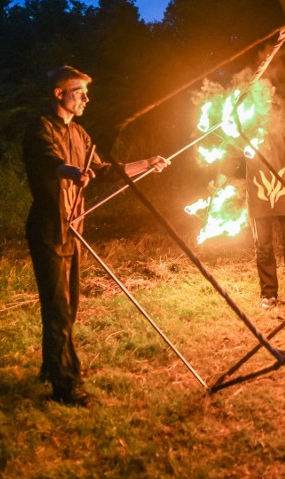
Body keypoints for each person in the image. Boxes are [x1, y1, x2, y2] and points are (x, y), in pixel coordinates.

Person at [23, 65, 170, 407]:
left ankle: (50, 365)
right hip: (49, 226)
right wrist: (72, 171)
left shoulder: (81, 134)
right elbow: (48, 162)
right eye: (79, 92)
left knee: (69, 305)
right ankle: (66, 385)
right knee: (58, 307)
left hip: (75, 227)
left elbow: (102, 171)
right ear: (59, 94)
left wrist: (145, 163)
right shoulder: (40, 128)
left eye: (87, 93)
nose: (86, 99)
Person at [245, 105, 285, 309]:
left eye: (266, 89)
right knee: (263, 247)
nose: (262, 95)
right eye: (258, 90)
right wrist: (220, 180)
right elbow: (229, 152)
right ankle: (268, 294)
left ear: (272, 92)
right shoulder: (244, 118)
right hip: (258, 193)